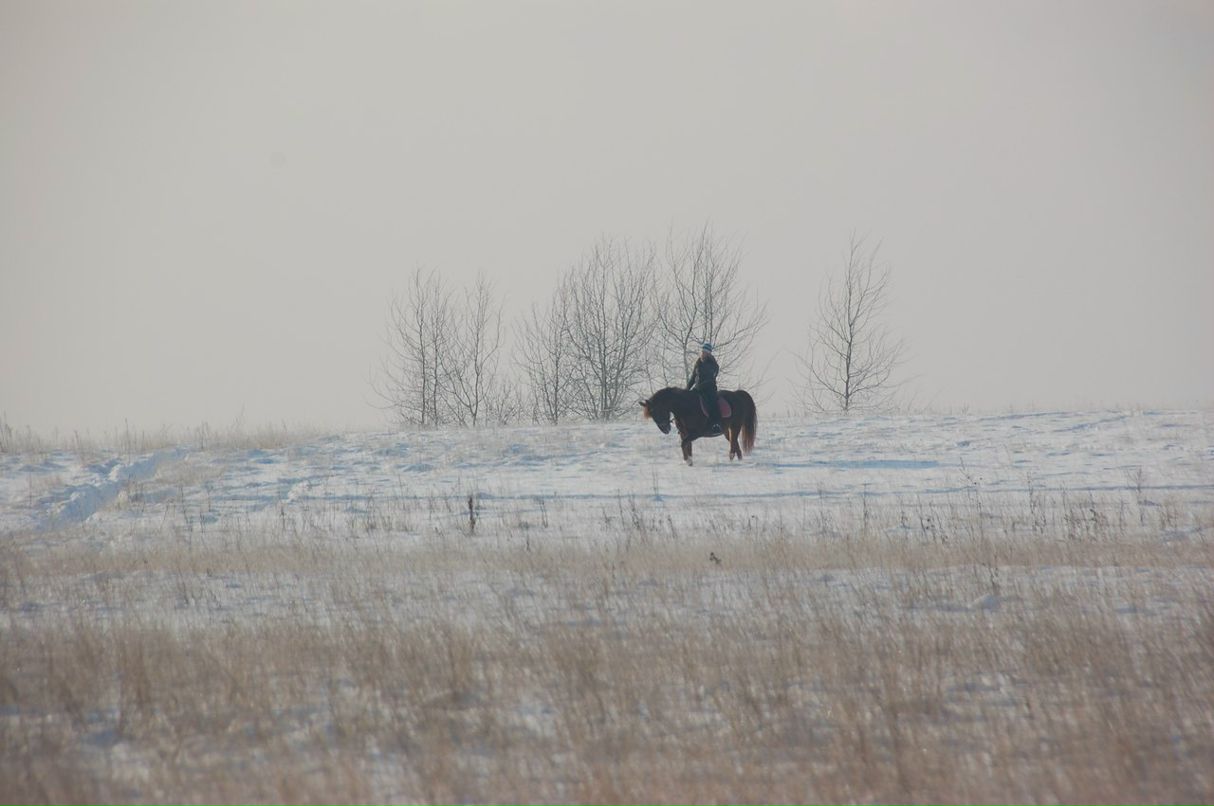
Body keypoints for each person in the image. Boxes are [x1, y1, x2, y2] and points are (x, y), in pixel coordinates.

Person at [686, 341, 722, 435]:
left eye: (705, 352)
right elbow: (693, 377)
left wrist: (701, 386)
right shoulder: (698, 363)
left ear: (709, 353)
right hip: (698, 389)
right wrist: (687, 389)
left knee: (713, 403)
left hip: (709, 389)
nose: (703, 353)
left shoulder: (712, 364)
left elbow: (710, 378)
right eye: (702, 352)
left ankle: (716, 424)